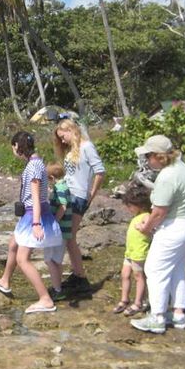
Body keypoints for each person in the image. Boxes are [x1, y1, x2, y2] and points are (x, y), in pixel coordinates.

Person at [130, 135, 185, 334]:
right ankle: (178, 314)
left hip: (175, 227)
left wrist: (146, 228)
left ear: (157, 156)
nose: (146, 160)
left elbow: (159, 212)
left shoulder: (167, 176)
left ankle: (157, 317)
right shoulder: (181, 167)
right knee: (176, 268)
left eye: (148, 156)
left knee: (154, 269)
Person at [0, 131, 63, 314]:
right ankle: (5, 281)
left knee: (23, 259)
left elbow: (36, 197)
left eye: (13, 146)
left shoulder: (34, 166)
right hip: (30, 214)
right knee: (13, 244)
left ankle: (45, 299)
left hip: (33, 215)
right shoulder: (36, 162)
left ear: (17, 146)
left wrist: (36, 224)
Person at [52, 118, 105, 292]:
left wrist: (91, 195)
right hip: (70, 194)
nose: (62, 141)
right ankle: (77, 274)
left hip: (79, 197)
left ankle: (80, 277)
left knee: (70, 237)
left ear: (71, 130)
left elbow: (100, 171)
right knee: (68, 237)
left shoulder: (87, 147)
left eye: (63, 136)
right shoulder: (73, 149)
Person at [113, 184, 152, 316]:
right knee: (125, 274)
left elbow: (150, 229)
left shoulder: (146, 216)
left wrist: (143, 227)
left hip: (139, 252)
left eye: (130, 206)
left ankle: (138, 302)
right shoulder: (136, 216)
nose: (128, 209)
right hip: (130, 252)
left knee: (139, 276)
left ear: (140, 205)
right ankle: (124, 299)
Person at [45, 162, 72, 302]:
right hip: (64, 230)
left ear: (51, 177)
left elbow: (63, 205)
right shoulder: (65, 185)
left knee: (49, 260)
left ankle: (57, 290)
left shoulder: (59, 187)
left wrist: (54, 221)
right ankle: (58, 286)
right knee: (57, 260)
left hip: (59, 230)